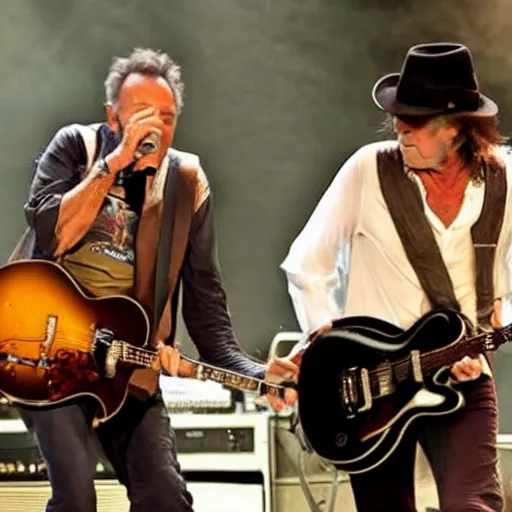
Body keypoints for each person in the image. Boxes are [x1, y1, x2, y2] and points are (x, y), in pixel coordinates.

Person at [16, 47, 296, 512]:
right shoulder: (76, 148)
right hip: (44, 353)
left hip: (126, 368)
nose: (155, 128)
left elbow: (208, 318)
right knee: (76, 499)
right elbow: (56, 234)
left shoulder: (186, 184)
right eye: (141, 115)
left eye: (165, 117)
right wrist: (115, 161)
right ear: (112, 117)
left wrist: (257, 374)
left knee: (166, 498)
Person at [280, 43, 512, 511]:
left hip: (460, 375)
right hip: (371, 386)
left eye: (417, 120)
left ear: (459, 127)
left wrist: (494, 325)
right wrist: (324, 332)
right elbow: (308, 260)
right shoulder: (369, 169)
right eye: (398, 117)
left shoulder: (506, 179)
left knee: (474, 505)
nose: (401, 128)